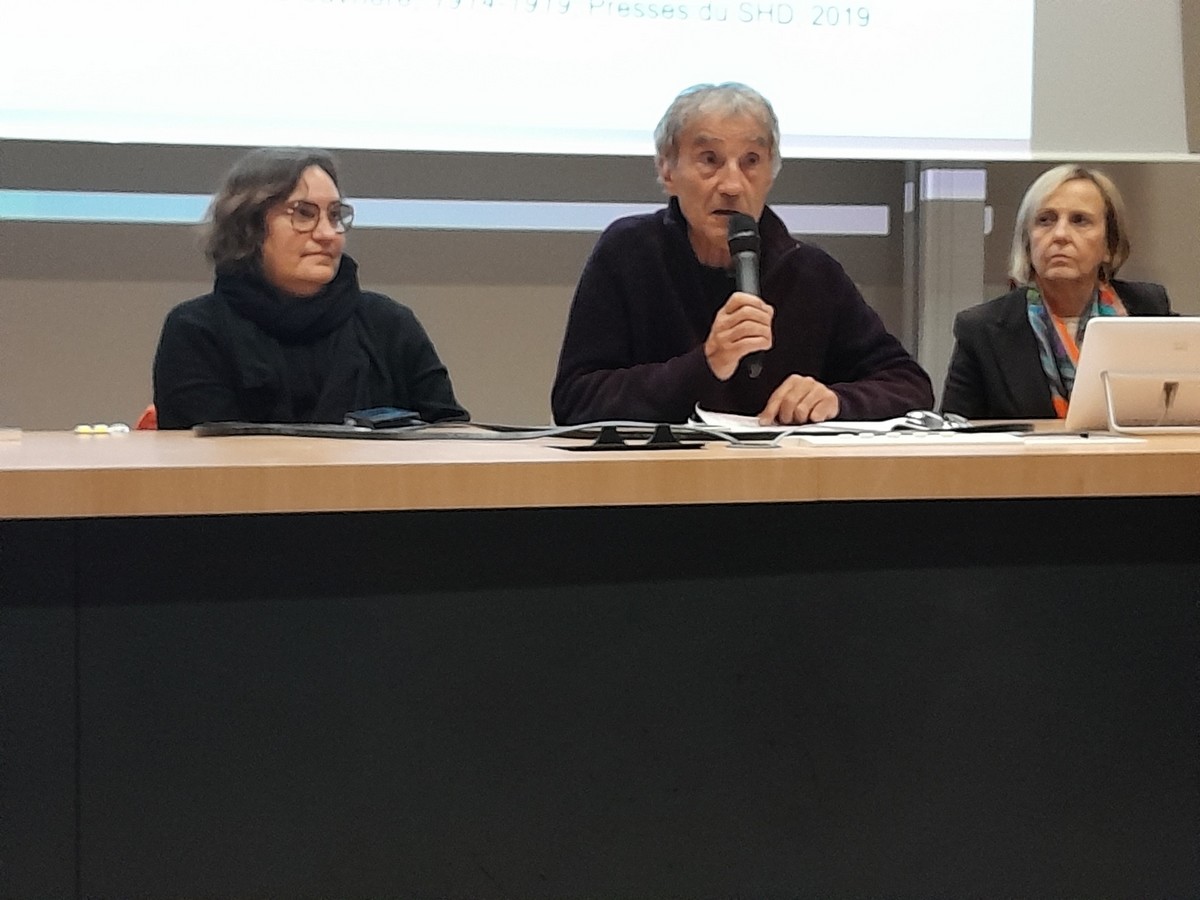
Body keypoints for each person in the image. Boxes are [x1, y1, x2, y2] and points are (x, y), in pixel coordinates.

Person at [550, 82, 933, 425]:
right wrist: (705, 364)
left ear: (771, 174)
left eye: (751, 161)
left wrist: (836, 399)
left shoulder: (810, 271)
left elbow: (909, 385)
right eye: (710, 160)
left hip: (781, 491)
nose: (732, 184)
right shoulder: (629, 254)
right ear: (667, 170)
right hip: (657, 489)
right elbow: (576, 399)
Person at [153, 148, 466, 429]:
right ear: (248, 224)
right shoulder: (197, 331)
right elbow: (201, 467)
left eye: (334, 215)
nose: (328, 234)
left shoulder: (389, 324)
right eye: (304, 214)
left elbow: (449, 437)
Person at [941, 165, 1173, 420]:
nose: (1060, 235)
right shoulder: (982, 331)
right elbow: (952, 439)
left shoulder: (1148, 310)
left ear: (1109, 244)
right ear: (1028, 243)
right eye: (1045, 220)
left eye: (1079, 220)